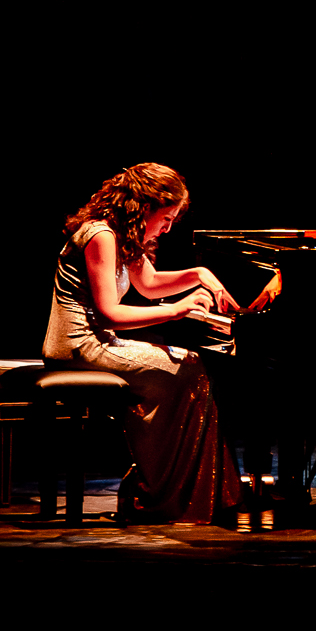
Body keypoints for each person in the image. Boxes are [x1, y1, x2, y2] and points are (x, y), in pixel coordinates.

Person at [43, 163, 243, 523]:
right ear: (145, 207)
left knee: (190, 365)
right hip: (79, 345)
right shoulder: (100, 235)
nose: (167, 228)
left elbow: (148, 285)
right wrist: (177, 310)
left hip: (98, 341)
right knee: (189, 367)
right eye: (166, 218)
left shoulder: (122, 235)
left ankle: (178, 491)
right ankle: (162, 493)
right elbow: (110, 314)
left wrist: (200, 274)